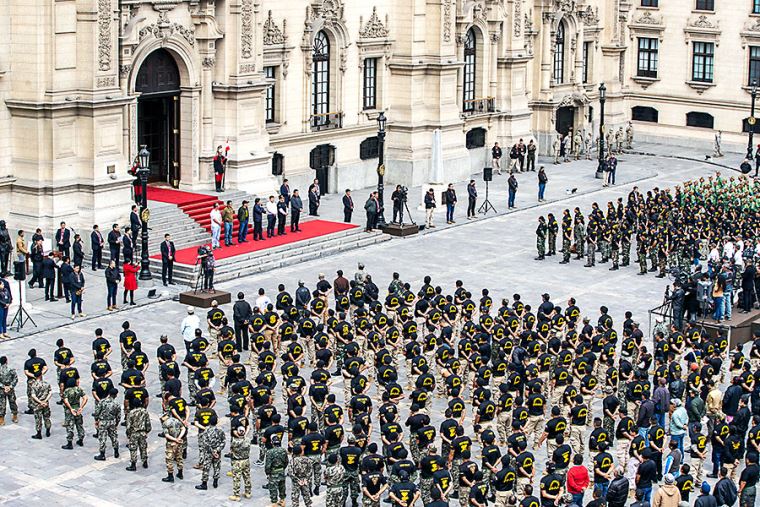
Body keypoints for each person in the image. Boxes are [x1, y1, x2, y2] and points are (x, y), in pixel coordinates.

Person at [93, 388, 121, 461]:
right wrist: (116, 424)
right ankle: (116, 451)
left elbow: (97, 412)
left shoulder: (102, 402)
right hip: (112, 422)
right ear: (116, 395)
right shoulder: (116, 404)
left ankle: (102, 454)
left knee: (102, 437)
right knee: (113, 437)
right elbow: (118, 416)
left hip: (103, 422)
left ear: (109, 393)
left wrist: (96, 420)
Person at [229, 424, 252, 500]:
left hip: (237, 461)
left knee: (236, 478)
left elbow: (231, 448)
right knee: (247, 476)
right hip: (246, 460)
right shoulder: (248, 440)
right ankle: (248, 492)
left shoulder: (234, 441)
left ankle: (236, 495)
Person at [265, 434, 288, 506]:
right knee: (282, 486)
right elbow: (286, 461)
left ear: (272, 442)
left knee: (273, 488)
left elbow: (268, 465)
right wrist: (283, 468)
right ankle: (282, 500)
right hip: (281, 470)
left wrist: (267, 473)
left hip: (273, 472)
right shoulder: (283, 450)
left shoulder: (270, 452)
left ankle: (274, 502)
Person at [0, 356, 19, 424]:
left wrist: (3, 386)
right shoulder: (11, 369)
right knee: (12, 402)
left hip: (1, 389)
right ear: (6, 361)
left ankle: (1, 419)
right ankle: (15, 416)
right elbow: (15, 378)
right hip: (10, 389)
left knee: (2, 403)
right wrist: (10, 386)